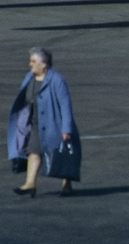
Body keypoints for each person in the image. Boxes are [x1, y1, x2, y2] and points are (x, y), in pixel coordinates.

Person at [8, 47, 80, 197]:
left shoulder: (57, 80)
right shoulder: (29, 78)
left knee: (61, 153)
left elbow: (65, 106)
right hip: (36, 124)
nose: (30, 64)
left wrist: (66, 129)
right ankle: (30, 184)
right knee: (33, 152)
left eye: (34, 61)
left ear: (44, 64)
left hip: (55, 124)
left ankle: (67, 182)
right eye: (30, 61)